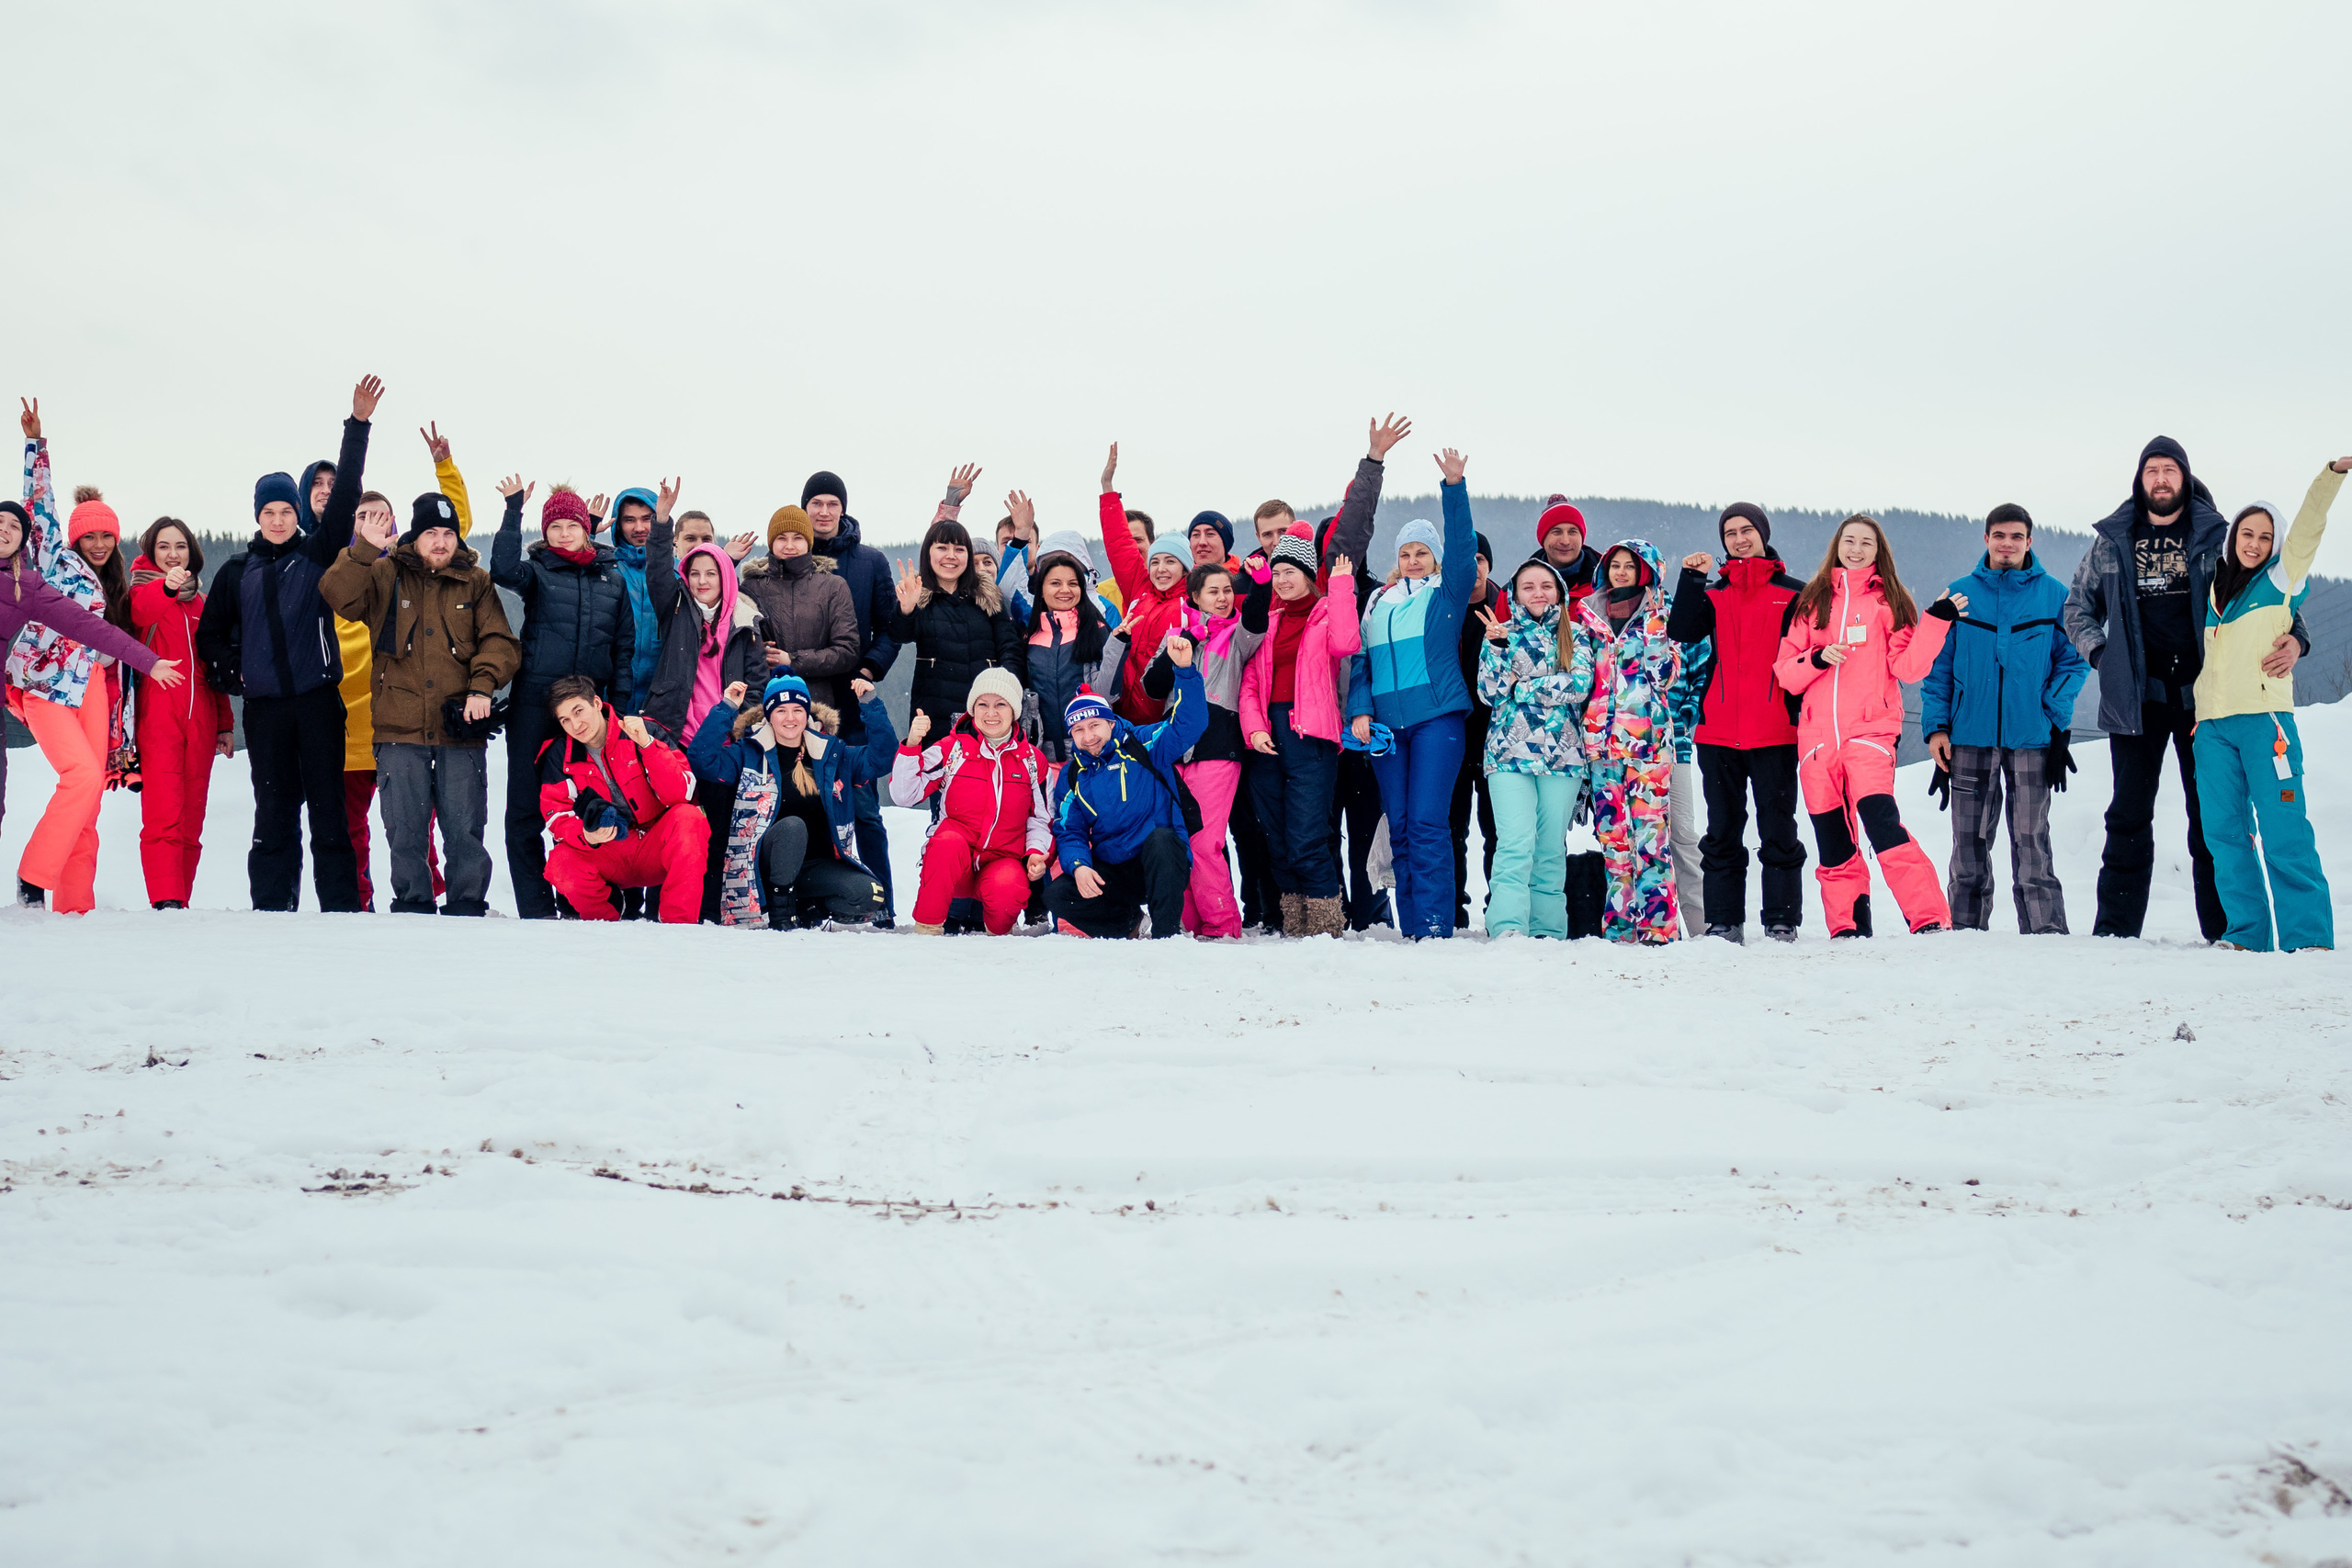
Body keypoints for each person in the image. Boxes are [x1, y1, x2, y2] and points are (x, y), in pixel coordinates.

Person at [2064, 436, 2309, 941]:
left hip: (2207, 702)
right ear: (2140, 479)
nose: (2160, 479)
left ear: (2184, 477)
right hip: (2137, 700)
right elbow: (2076, 607)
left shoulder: (2215, 535)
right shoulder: (2113, 540)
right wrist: (2102, 656)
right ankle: (2115, 933)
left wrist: (2298, 639)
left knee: (2212, 820)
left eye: (2169, 470)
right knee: (2128, 816)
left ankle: (2226, 932)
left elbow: (2270, 596)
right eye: (2152, 470)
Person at [195, 376, 382, 913]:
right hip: (267, 711)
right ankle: (272, 912)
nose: (278, 521)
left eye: (286, 512)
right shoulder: (237, 572)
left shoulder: (318, 554)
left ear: (298, 513)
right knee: (273, 815)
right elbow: (210, 636)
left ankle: (341, 910)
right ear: (257, 516)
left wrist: (357, 426)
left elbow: (345, 495)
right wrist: (236, 674)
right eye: (269, 513)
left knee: (329, 814)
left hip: (320, 703)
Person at [7, 400, 182, 910]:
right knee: (81, 775)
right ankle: (33, 878)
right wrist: (36, 446)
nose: (100, 543)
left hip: (91, 690)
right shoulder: (51, 559)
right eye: (91, 535)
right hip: (45, 686)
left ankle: (76, 908)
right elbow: (38, 506)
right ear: (75, 537)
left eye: (108, 535)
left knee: (89, 803)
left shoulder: (116, 583)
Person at [321, 491, 521, 915]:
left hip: (460, 728)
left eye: (448, 534)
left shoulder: (476, 581)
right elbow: (338, 595)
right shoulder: (384, 573)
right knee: (405, 832)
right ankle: (412, 911)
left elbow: (499, 641)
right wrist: (364, 549)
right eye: (431, 533)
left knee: (465, 830)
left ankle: (468, 908)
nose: (440, 542)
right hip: (398, 728)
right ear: (415, 535)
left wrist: (482, 687)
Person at [1775, 515, 1964, 937]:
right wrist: (1817, 658)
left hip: (1870, 733)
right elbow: (1786, 672)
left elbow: (1908, 668)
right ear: (1837, 545)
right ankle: (1848, 926)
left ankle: (1930, 917)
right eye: (1850, 541)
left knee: (1882, 824)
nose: (1856, 550)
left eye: (1866, 543)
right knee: (1832, 837)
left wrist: (1936, 622)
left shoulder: (1889, 601)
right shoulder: (1813, 601)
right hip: (1816, 741)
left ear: (1879, 552)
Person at [2191, 458, 2348, 952]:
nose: (2255, 543)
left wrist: (2332, 474)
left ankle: (2308, 937)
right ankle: (2246, 935)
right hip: (2213, 729)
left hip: (2265, 724)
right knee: (2224, 835)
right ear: (2233, 537)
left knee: (2284, 830)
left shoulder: (2282, 580)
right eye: (2247, 534)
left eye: (2265, 536)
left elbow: (2308, 529)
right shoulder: (2215, 590)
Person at [1920, 504, 2088, 933]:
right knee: (1969, 842)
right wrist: (1937, 728)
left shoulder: (2053, 596)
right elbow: (1937, 667)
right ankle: (1965, 930)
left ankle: (2045, 931)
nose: (2007, 544)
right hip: (1969, 736)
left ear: (2029, 541)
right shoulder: (1959, 595)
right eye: (1999, 535)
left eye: (2016, 536)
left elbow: (2074, 661)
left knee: (2032, 839)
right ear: (1986, 539)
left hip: (2032, 736)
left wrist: (2052, 717)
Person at [490, 478, 639, 918]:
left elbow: (624, 650)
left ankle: (575, 900)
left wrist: (620, 712)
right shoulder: (537, 572)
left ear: (586, 529)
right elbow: (502, 569)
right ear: (545, 533)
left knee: (584, 802)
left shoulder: (612, 579)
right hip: (534, 706)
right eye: (555, 527)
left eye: (572, 525)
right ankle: (535, 907)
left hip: (587, 712)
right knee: (525, 807)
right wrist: (513, 512)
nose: (564, 534)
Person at [1347, 448, 1481, 939]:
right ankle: (1412, 927)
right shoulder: (1378, 601)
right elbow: (1361, 661)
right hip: (1386, 728)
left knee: (1427, 823)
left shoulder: (1445, 593)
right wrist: (1360, 709)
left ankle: (1434, 925)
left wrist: (1454, 488)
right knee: (1400, 826)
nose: (1412, 560)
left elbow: (1464, 549)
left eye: (1421, 552)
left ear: (1435, 558)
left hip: (1435, 720)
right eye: (1405, 553)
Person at [1666, 503, 1808, 942]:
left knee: (1778, 827)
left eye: (1747, 530)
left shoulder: (1794, 593)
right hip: (1718, 730)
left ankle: (1781, 918)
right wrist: (1691, 579)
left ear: (1763, 534)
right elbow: (1681, 631)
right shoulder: (1713, 593)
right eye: (1730, 533)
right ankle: (1724, 920)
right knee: (1722, 829)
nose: (1740, 539)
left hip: (1776, 730)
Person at [688, 672, 895, 929]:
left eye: (797, 710)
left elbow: (882, 759)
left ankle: (805, 909)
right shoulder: (749, 752)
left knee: (869, 893)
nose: (790, 718)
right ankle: (780, 913)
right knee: (793, 827)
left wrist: (870, 704)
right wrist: (727, 707)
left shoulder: (832, 753)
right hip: (763, 868)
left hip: (815, 867)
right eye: (781, 711)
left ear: (807, 714)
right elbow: (702, 760)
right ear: (769, 715)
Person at [1134, 555, 1272, 937]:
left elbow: (1256, 621)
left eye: (1227, 590)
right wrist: (1188, 643)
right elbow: (1152, 686)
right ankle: (1192, 924)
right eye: (1214, 591)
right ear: (1195, 597)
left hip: (1218, 748)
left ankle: (1222, 924)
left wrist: (1261, 585)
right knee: (1180, 837)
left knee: (1205, 840)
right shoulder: (1178, 635)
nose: (1223, 598)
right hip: (1175, 751)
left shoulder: (1236, 635)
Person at [1314, 415, 1412, 930]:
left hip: (1366, 725)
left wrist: (1373, 463)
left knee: (1368, 827)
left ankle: (1371, 916)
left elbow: (1353, 526)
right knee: (1323, 830)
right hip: (1319, 731)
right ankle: (1332, 915)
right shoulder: (1309, 597)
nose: (1338, 558)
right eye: (1329, 552)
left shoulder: (1376, 597)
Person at [1241, 528, 1361, 936]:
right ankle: (1295, 922)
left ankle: (1325, 924)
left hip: (1311, 737)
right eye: (1276, 573)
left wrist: (1341, 588)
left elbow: (1346, 643)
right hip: (1266, 738)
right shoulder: (1269, 622)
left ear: (1308, 575)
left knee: (1307, 837)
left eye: (1289, 571)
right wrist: (1255, 730)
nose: (1281, 580)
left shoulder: (1326, 613)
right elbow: (1250, 682)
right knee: (1276, 837)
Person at [1049, 637, 1207, 939]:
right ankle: (1129, 924)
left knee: (1162, 840)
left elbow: (1190, 724)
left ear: (1111, 723)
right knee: (1058, 894)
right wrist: (1079, 865)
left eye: (1094, 725)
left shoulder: (1143, 744)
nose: (1088, 736)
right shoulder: (1072, 775)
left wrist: (1185, 670)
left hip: (1162, 861)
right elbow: (1070, 831)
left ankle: (1167, 935)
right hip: (1116, 870)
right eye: (1079, 730)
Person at [1567, 540, 1684, 944]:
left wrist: (1653, 623)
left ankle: (1658, 928)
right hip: (1601, 746)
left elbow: (1666, 675)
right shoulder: (1589, 616)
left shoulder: (1663, 614)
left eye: (1629, 567)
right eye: (1614, 565)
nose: (1620, 572)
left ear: (1646, 572)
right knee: (1613, 842)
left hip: (1648, 744)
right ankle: (1619, 929)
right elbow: (1584, 679)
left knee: (1652, 840)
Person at [802, 468, 903, 921]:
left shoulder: (869, 562)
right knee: (808, 806)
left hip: (854, 707)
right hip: (804, 707)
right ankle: (817, 903)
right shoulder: (791, 558)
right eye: (816, 504)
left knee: (864, 810)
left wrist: (867, 669)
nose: (824, 512)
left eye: (832, 504)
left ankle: (882, 906)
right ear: (804, 509)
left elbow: (891, 630)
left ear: (843, 510)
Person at [648, 537, 765, 922]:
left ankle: (710, 913)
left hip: (721, 744)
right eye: (695, 573)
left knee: (717, 833)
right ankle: (658, 912)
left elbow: (757, 684)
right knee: (671, 827)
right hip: (676, 738)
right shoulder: (676, 610)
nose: (702, 581)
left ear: (725, 578)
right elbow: (658, 574)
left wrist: (737, 727)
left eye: (711, 573)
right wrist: (661, 523)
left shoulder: (746, 622)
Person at [890, 668, 1051, 934]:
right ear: (972, 709)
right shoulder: (952, 749)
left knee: (1009, 887)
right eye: (982, 705)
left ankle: (996, 935)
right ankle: (926, 931)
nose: (991, 713)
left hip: (1001, 861)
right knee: (946, 844)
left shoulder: (1032, 760)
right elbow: (904, 794)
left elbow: (1040, 818)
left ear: (1014, 710)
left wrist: (1035, 851)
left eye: (1000, 705)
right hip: (955, 862)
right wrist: (911, 745)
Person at [537, 674, 708, 922]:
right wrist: (587, 835)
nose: (575, 725)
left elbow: (681, 793)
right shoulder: (560, 754)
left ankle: (678, 924)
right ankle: (605, 922)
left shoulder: (643, 730)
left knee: (690, 817)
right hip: (609, 850)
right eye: (565, 720)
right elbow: (556, 815)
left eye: (578, 711)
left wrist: (647, 746)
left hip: (654, 845)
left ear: (597, 703)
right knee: (561, 861)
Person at [1476, 558, 1586, 937]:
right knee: (1515, 843)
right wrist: (1497, 649)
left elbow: (1578, 685)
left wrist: (1520, 688)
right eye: (1529, 587)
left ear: (1559, 592)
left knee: (1550, 849)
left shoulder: (1576, 634)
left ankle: (1548, 931)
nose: (1538, 593)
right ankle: (1507, 928)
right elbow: (1490, 693)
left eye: (1546, 586)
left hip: (1563, 758)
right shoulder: (1500, 632)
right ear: (1516, 595)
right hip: (1508, 756)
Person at [127, 518, 233, 908]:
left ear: (192, 552)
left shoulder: (200, 603)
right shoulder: (140, 592)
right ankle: (165, 899)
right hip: (158, 718)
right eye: (164, 547)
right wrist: (168, 587)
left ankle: (180, 900)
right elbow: (141, 615)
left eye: (180, 546)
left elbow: (211, 666)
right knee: (163, 814)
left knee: (192, 817)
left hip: (201, 719)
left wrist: (224, 724)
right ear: (151, 552)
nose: (173, 554)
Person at [886, 477, 1026, 733]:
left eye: (959, 549)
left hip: (986, 715)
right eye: (942, 547)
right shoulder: (921, 595)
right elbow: (900, 635)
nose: (951, 556)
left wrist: (1005, 690)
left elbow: (1009, 648)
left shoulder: (986, 596)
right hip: (934, 718)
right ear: (929, 553)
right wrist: (906, 609)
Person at [1097, 443, 1193, 726]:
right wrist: (1107, 489)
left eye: (1170, 562)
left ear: (1185, 568)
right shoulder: (1140, 589)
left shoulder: (1192, 603)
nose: (1161, 569)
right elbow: (1120, 544)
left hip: (1162, 717)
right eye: (1155, 562)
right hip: (1122, 713)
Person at [740, 504, 860, 715]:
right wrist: (758, 652)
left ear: (808, 542)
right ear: (771, 542)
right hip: (764, 705)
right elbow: (736, 646)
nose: (789, 545)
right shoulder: (751, 587)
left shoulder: (832, 586)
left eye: (797, 538)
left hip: (816, 706)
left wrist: (793, 660)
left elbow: (847, 651)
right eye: (781, 538)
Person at [1448, 531, 1505, 929]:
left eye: (1479, 560)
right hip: (1449, 733)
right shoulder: (1440, 608)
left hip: (1495, 736)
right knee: (1450, 828)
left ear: (1489, 564)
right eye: (1464, 560)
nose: (1472, 568)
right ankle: (1451, 910)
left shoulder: (1507, 608)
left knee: (1497, 830)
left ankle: (1499, 909)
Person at [607, 485, 678, 713]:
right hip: (612, 695)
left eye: (647, 519)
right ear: (618, 524)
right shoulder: (606, 570)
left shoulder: (678, 572)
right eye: (629, 520)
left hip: (662, 697)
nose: (639, 528)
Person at [1665, 631, 1713, 937]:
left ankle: (1702, 926)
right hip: (1623, 748)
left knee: (1682, 833)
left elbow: (1704, 673)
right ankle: (1647, 926)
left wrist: (1686, 715)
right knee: (1632, 838)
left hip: (1674, 745)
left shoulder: (1682, 620)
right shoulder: (1612, 614)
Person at [1530, 495, 1602, 601]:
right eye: (1557, 532)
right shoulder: (1515, 593)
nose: (1565, 541)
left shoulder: (1608, 584)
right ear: (1543, 539)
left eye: (1572, 532)